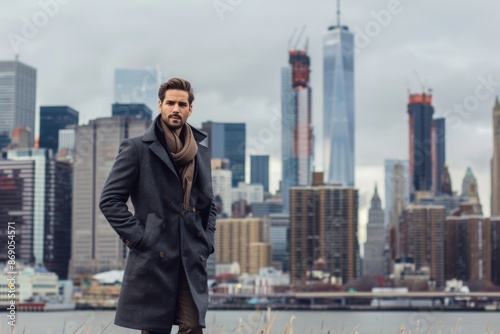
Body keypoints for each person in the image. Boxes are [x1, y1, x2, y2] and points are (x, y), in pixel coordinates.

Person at [100, 78, 217, 333]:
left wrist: (207, 241)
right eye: (171, 103)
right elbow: (109, 200)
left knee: (192, 327)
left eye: (182, 104)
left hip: (190, 256)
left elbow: (209, 204)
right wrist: (141, 238)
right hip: (155, 256)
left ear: (190, 110)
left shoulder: (200, 153)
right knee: (155, 330)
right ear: (160, 105)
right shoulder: (136, 149)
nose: (176, 108)